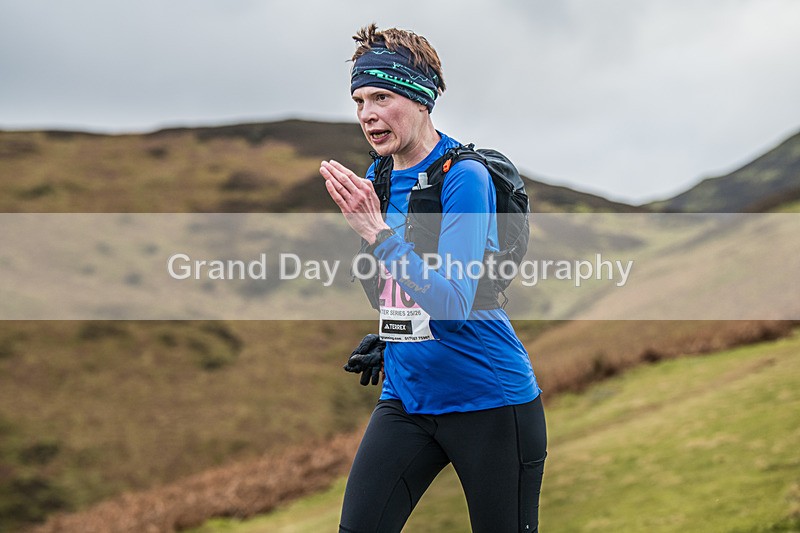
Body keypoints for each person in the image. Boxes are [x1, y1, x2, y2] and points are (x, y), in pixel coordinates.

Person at [320, 24, 546, 533]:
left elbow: (453, 301)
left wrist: (377, 232)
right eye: (358, 100)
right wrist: (392, 332)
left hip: (490, 401)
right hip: (406, 398)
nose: (367, 113)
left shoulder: (464, 177)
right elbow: (406, 284)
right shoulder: (379, 177)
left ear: (422, 98)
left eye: (382, 96)